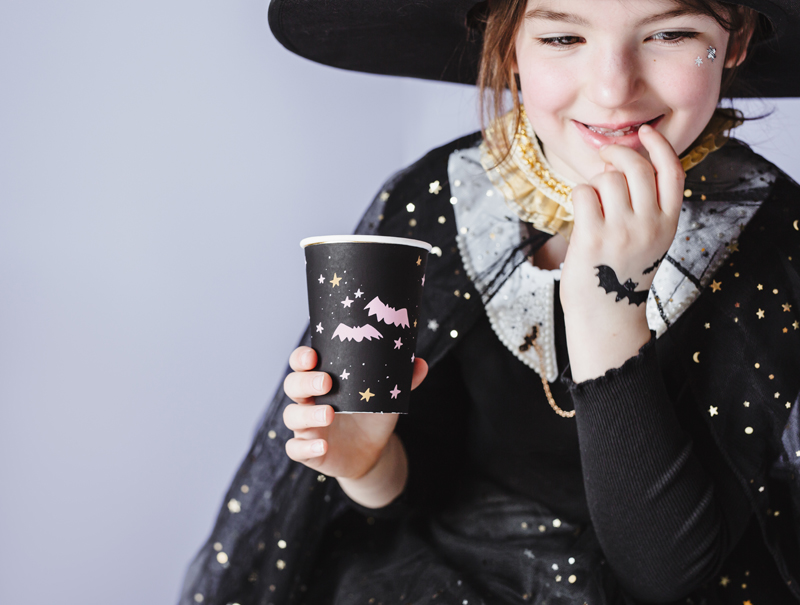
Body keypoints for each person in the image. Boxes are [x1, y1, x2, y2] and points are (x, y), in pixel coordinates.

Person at [180, 1, 800, 603]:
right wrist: (369, 465)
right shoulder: (443, 198)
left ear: (736, 41)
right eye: (563, 38)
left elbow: (667, 575)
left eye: (669, 35)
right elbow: (423, 486)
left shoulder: (775, 237)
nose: (613, 89)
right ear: (508, 47)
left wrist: (608, 311)